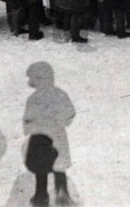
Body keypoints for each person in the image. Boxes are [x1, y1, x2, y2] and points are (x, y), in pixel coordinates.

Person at [23, 62, 76, 206]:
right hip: (53, 136)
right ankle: (58, 193)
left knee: (44, 167)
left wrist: (29, 128)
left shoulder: (35, 98)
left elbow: (28, 118)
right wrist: (62, 122)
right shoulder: (59, 94)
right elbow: (70, 112)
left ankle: (44, 195)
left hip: (42, 137)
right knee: (55, 166)